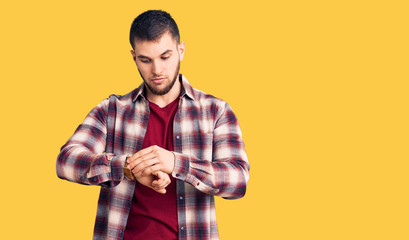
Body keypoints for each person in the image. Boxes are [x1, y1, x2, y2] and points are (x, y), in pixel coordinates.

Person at [56, 10, 250, 240]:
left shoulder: (215, 111)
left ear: (181, 50)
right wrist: (129, 168)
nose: (156, 70)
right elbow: (65, 162)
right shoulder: (112, 110)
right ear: (134, 57)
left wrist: (177, 163)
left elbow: (238, 180)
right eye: (145, 60)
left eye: (165, 57)